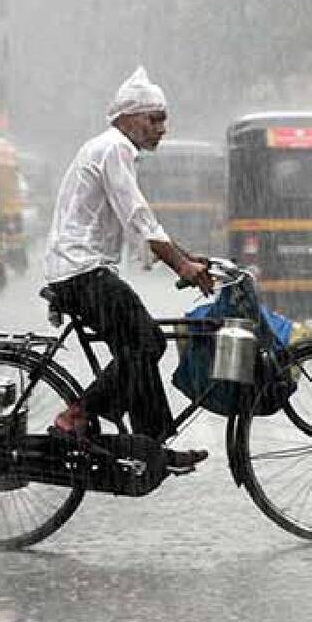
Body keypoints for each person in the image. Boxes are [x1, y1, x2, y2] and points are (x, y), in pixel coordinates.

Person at [44, 66, 215, 469]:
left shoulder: (111, 149)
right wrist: (180, 266)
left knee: (135, 348)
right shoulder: (113, 148)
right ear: (127, 118)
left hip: (80, 269)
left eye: (164, 120)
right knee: (148, 342)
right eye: (154, 119)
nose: (162, 128)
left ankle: (151, 447)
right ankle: (76, 416)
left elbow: (139, 220)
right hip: (80, 270)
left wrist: (187, 257)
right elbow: (137, 215)